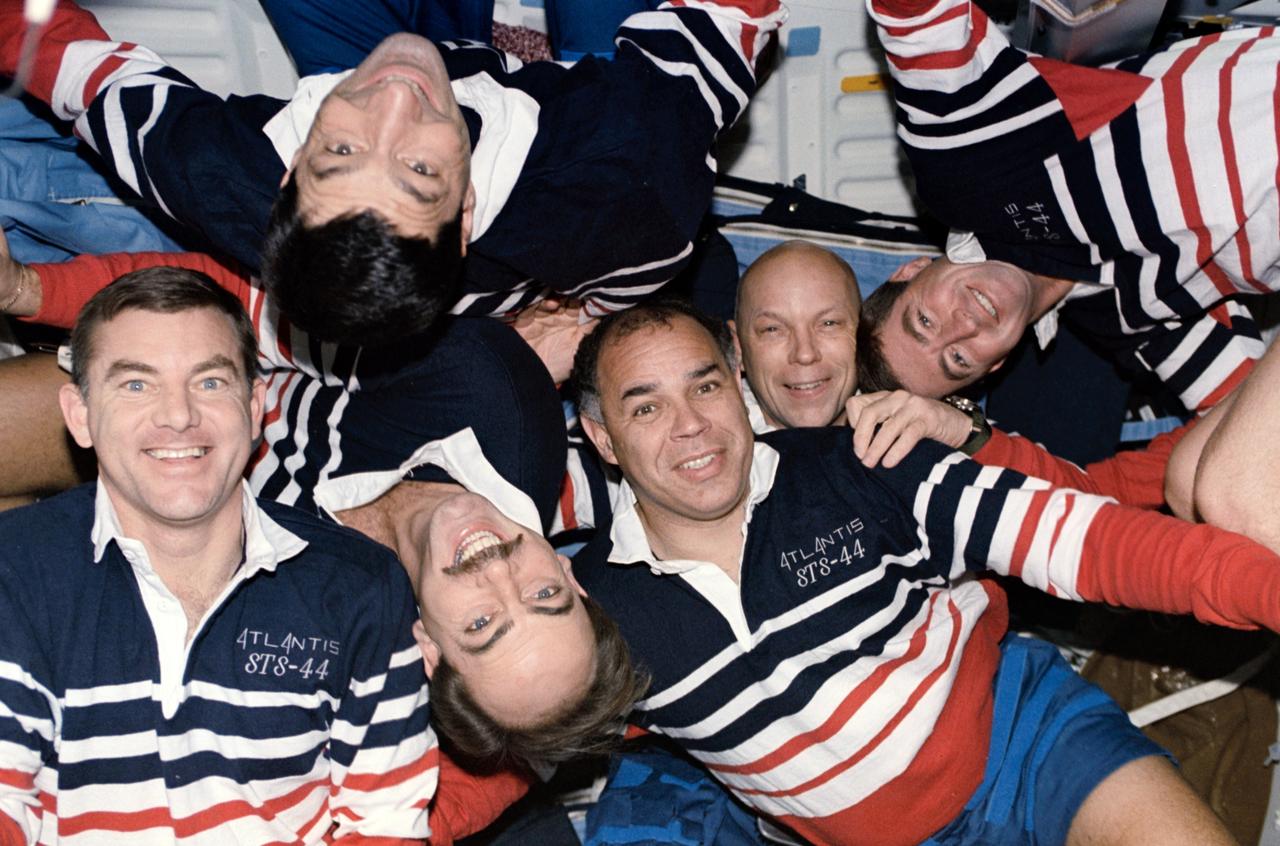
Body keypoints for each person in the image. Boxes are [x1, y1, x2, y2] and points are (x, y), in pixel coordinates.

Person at [566, 298, 1280, 846]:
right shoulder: (597, 612)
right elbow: (515, 740)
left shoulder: (862, 462)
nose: (690, 425)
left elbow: (1090, 543)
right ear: (603, 439)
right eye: (648, 406)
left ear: (739, 386)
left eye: (706, 387)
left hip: (1028, 742)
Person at [0, 0, 783, 347]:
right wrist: (582, 319)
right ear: (467, 206)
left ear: (286, 179)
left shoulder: (218, 172)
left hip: (448, 70)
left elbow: (71, 62)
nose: (391, 106)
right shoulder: (629, 168)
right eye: (418, 170)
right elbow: (735, 14)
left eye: (337, 152)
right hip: (582, 89)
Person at [0, 267, 436, 843]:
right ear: (80, 415)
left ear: (256, 406)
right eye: (136, 384)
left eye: (209, 382)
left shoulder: (360, 586)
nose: (178, 416)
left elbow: (386, 823)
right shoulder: (16, 569)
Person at [853, 0, 1272, 416]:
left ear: (912, 270)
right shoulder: (1127, 322)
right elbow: (1249, 423)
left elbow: (914, 17)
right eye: (959, 359)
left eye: (925, 320)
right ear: (996, 363)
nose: (963, 326)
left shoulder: (963, 170)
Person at [730, 240, 861, 431]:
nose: (805, 354)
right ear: (737, 348)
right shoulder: (703, 444)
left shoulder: (910, 433)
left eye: (829, 323)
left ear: (865, 334)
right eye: (773, 330)